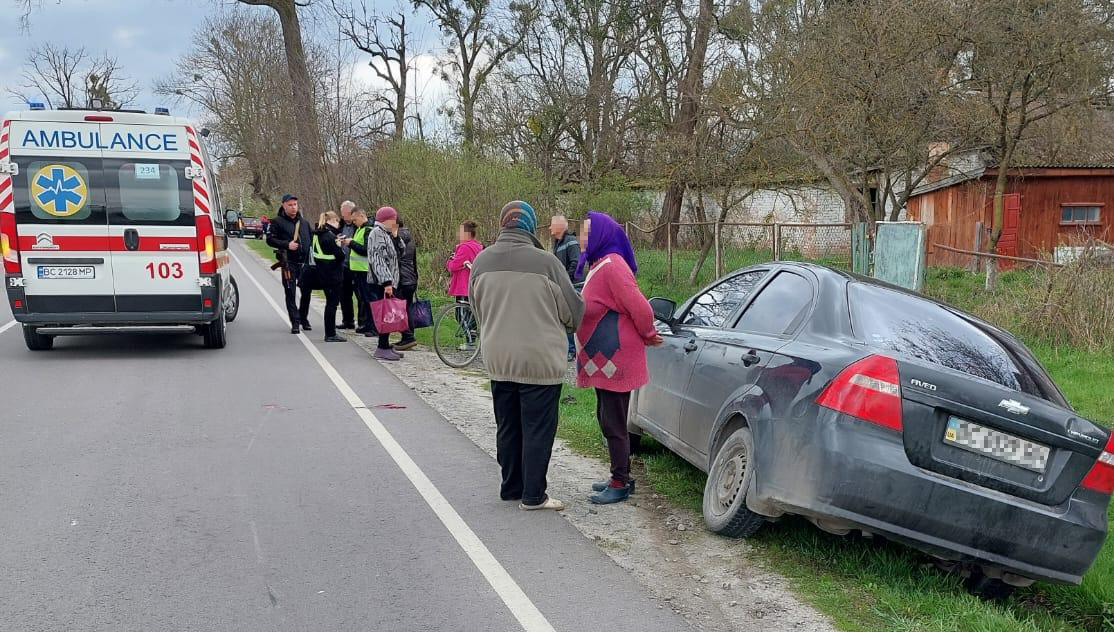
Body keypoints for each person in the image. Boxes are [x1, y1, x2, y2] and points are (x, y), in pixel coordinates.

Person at [470, 201, 585, 511]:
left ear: (502, 224)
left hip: (498, 357)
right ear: (531, 227)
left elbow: (476, 308)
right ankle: (533, 495)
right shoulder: (547, 263)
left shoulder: (481, 262)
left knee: (507, 425)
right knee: (537, 427)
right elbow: (574, 313)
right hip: (539, 359)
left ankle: (511, 487)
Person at [573, 211, 662, 504]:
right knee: (606, 417)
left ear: (600, 235)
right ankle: (618, 474)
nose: (581, 237)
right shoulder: (599, 265)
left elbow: (640, 307)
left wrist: (649, 334)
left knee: (613, 422)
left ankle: (620, 481)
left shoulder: (613, 267)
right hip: (603, 359)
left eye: (585, 232)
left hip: (616, 360)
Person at [266, 194, 314, 334]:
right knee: (290, 292)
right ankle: (295, 321)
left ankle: (303, 318)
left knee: (306, 292)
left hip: (304, 263)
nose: (293, 207)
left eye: (295, 204)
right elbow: (270, 240)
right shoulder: (277, 222)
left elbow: (311, 239)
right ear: (284, 205)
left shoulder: (304, 223)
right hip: (289, 262)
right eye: (290, 205)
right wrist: (287, 244)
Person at [302, 211, 347, 342]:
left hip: (321, 272)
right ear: (331, 221)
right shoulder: (329, 236)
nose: (338, 224)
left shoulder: (316, 234)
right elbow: (340, 256)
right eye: (337, 221)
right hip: (332, 274)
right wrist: (339, 246)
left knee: (330, 303)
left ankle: (330, 332)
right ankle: (330, 333)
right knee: (332, 304)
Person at [368, 206, 403, 361]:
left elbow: (399, 253)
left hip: (390, 280)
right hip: (382, 281)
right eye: (393, 219)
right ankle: (381, 347)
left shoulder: (387, 234)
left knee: (389, 313)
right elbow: (378, 259)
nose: (395, 222)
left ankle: (385, 344)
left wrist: (396, 237)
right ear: (387, 219)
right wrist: (386, 282)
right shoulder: (376, 233)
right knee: (385, 314)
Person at [446, 221, 482, 348]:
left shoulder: (464, 247)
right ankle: (472, 338)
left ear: (467, 233)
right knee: (471, 314)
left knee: (460, 314)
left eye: (460, 232)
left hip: (462, 286)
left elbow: (453, 266)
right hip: (473, 285)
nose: (458, 235)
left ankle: (470, 342)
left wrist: (450, 261)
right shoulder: (478, 247)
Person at [550, 215, 581, 361]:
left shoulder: (571, 242)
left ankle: (572, 350)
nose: (550, 227)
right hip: (563, 286)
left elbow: (575, 263)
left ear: (560, 226)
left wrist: (565, 281)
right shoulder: (557, 243)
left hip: (573, 285)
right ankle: (566, 348)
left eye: (552, 225)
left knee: (569, 316)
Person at [393, 219, 420, 351]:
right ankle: (408, 336)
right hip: (411, 278)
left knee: (400, 309)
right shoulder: (410, 239)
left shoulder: (397, 240)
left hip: (402, 279)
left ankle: (408, 337)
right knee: (407, 308)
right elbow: (414, 261)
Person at [347, 209, 374, 335]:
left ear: (362, 216)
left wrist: (351, 243)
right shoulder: (359, 229)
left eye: (355, 220)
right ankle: (367, 324)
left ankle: (373, 326)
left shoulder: (368, 230)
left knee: (369, 299)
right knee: (363, 299)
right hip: (357, 270)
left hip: (365, 270)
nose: (354, 222)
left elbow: (365, 250)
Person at [337, 200, 358, 330]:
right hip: (343, 264)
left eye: (345, 214)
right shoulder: (341, 225)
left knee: (360, 296)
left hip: (356, 265)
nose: (343, 217)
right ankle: (347, 320)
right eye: (342, 214)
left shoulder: (360, 226)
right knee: (344, 295)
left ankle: (362, 322)